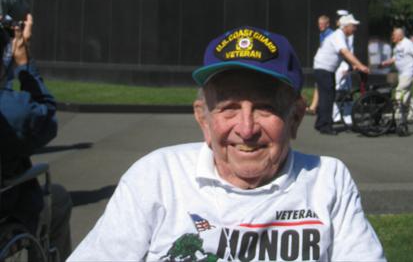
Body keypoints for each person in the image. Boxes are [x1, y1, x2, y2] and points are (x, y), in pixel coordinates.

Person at [68, 27, 385, 261]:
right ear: (203, 120)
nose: (246, 130)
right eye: (229, 108)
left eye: (265, 107)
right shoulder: (155, 177)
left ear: (295, 117)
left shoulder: (327, 180)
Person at [1, 12, 72, 259]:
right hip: (7, 206)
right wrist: (24, 64)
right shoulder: (12, 111)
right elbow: (46, 118)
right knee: (59, 198)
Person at [313, 14, 369, 135]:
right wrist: (360, 66)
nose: (355, 28)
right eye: (353, 26)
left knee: (327, 96)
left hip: (325, 69)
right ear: (346, 26)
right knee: (327, 97)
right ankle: (325, 126)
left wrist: (353, 65)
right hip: (324, 69)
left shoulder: (341, 36)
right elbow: (345, 52)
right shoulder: (339, 35)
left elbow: (343, 55)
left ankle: (321, 123)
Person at [381, 27, 413, 124]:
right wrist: (386, 63)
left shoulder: (408, 44)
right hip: (401, 73)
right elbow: (395, 58)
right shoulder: (397, 46)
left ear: (400, 35)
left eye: (394, 35)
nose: (392, 36)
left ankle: (398, 115)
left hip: (408, 72)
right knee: (408, 95)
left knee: (399, 91)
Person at [306, 15, 333, 115]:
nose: (320, 26)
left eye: (322, 24)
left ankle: (318, 108)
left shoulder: (331, 34)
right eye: (319, 24)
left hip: (329, 65)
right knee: (318, 85)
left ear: (327, 24)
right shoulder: (322, 34)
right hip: (323, 64)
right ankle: (314, 107)